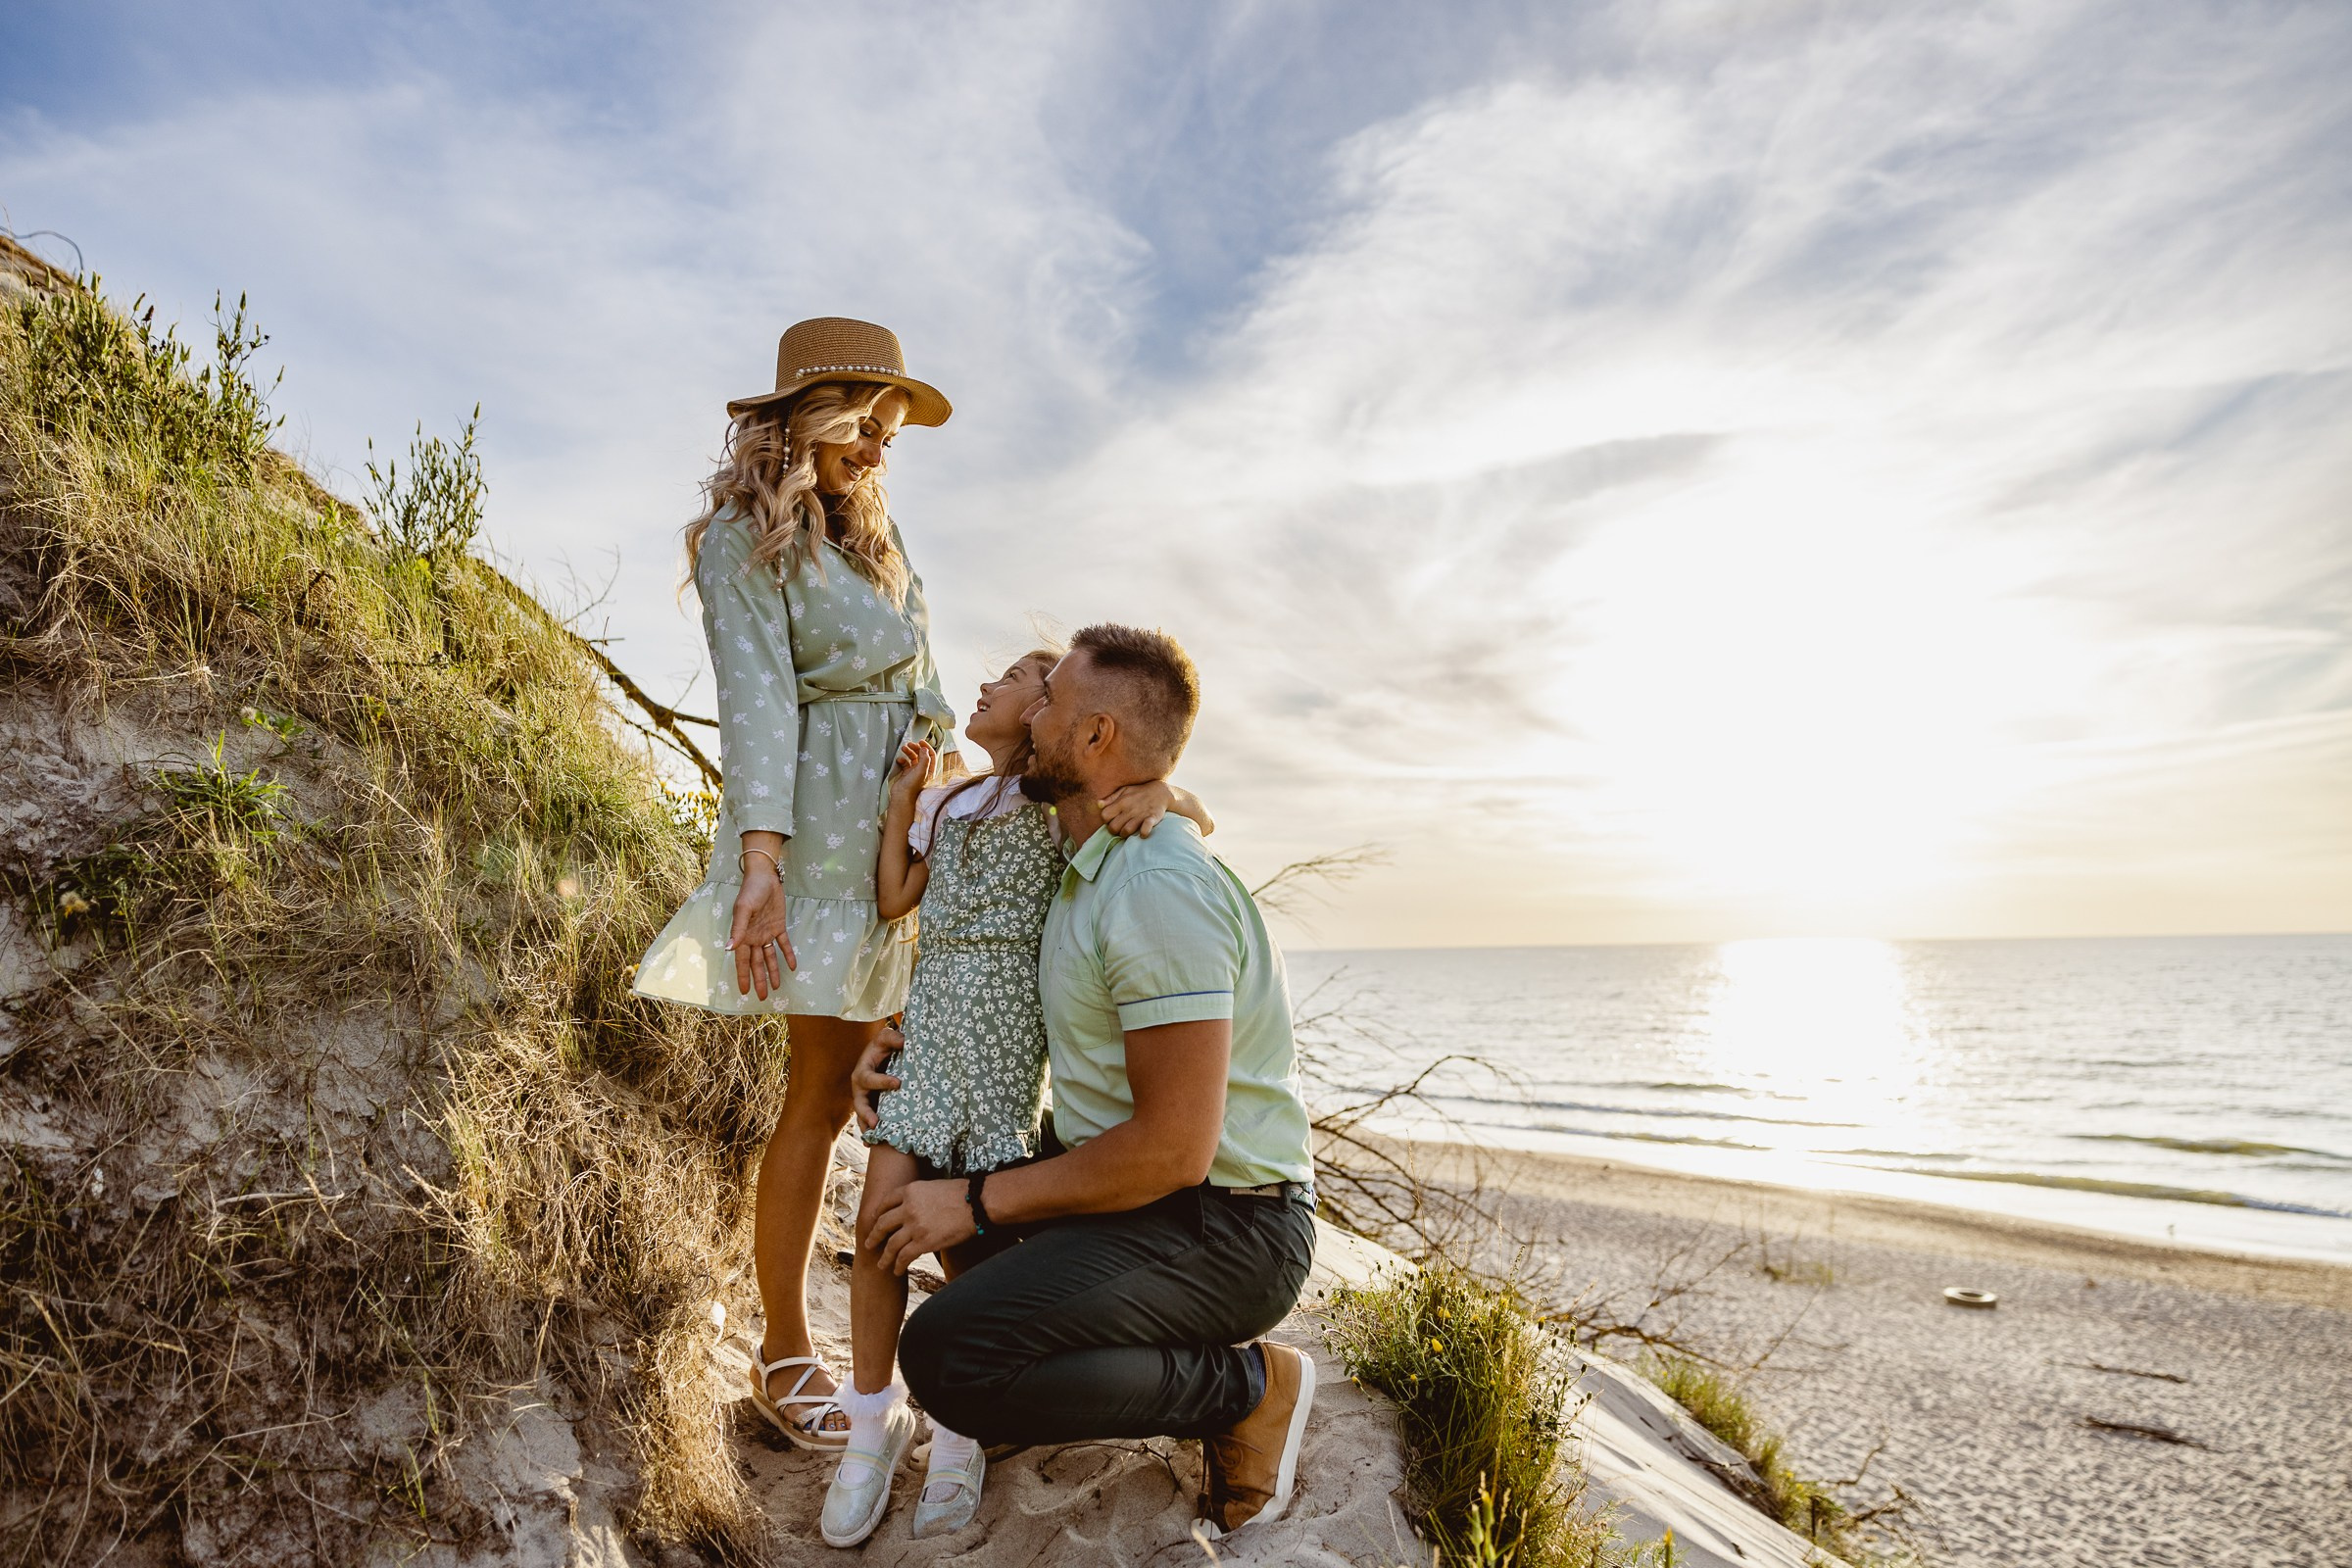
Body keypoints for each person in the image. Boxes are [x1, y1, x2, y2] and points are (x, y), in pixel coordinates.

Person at [856, 623, 1321, 1538]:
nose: (1032, 714)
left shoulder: (1152, 887)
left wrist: (978, 1201)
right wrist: (900, 1038)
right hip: (1137, 1193)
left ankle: (1250, 1390)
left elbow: (1174, 1149)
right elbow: (983, 968)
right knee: (964, 1227)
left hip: (1230, 1221)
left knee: (950, 1355)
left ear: (1097, 735)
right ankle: (1122, 1340)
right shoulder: (1078, 857)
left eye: (1051, 703)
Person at [632, 317, 958, 1450]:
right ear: (803, 417)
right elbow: (760, 703)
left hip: (895, 841)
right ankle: (784, 1354)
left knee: (894, 1093)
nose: (877, 448)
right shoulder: (744, 536)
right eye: (862, 425)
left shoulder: (876, 533)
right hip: (817, 848)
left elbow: (926, 676)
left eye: (888, 432)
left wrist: (950, 790)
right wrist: (759, 866)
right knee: (824, 1096)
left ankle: (955, 1344)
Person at [817, 647, 1212, 1546]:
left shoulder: (1053, 805)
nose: (990, 688)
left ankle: (960, 1423)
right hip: (932, 1018)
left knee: (971, 1241)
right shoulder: (948, 797)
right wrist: (895, 807)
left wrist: (1171, 797)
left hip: (1003, 1040)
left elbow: (1167, 799)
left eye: (1016, 682)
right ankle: (873, 1421)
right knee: (876, 1221)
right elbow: (896, 900)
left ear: (1051, 717)